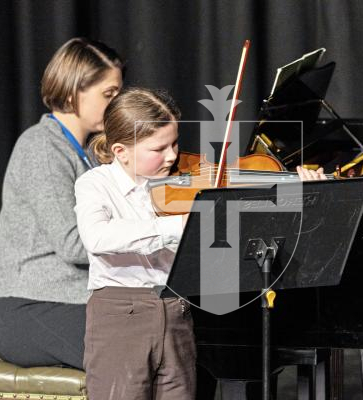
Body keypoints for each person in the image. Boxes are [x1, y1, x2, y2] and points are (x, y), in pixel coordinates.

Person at [74, 87, 326, 399]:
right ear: (120, 151)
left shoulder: (181, 182)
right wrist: (177, 224)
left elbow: (252, 208)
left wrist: (296, 188)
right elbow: (97, 236)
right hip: (121, 316)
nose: (172, 155)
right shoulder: (95, 184)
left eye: (175, 143)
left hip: (177, 311)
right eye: (158, 149)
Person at [0, 37, 124, 370]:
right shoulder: (41, 147)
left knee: (179, 336)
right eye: (109, 95)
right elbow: (74, 245)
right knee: (139, 349)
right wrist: (145, 240)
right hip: (30, 308)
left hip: (76, 299)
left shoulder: (90, 154)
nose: (119, 104)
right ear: (71, 92)